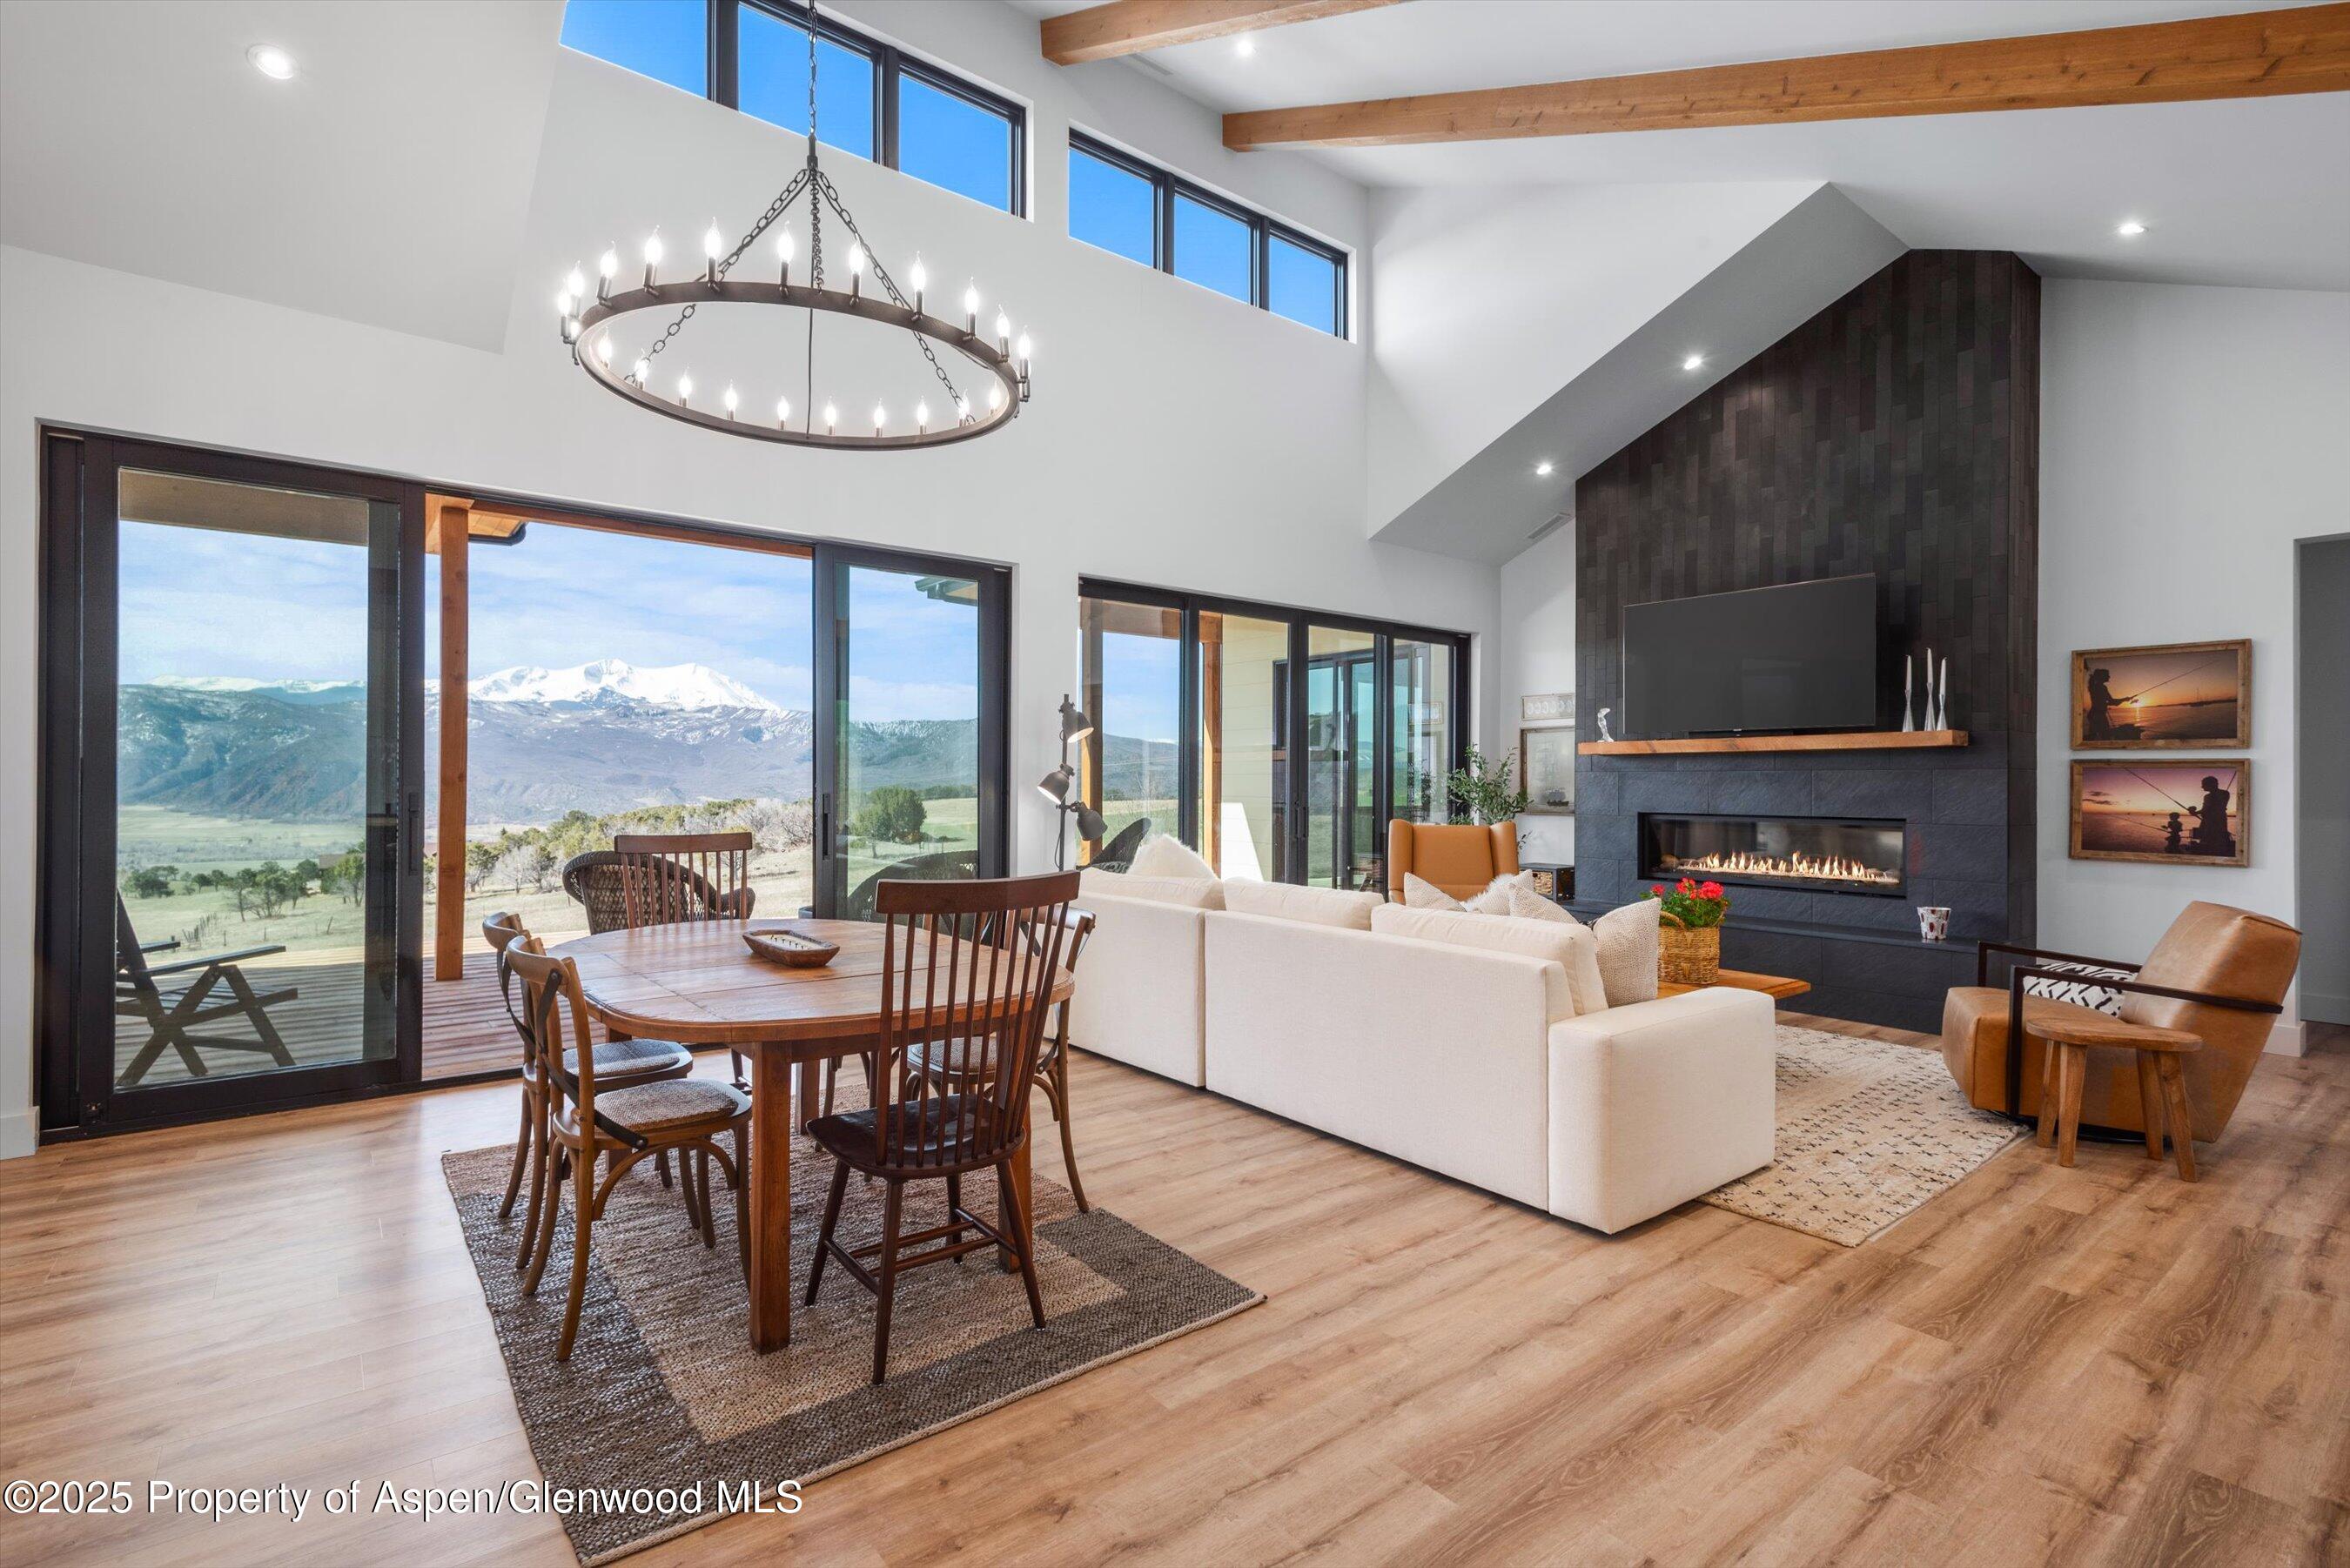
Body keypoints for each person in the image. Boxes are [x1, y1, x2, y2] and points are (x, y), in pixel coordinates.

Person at [2192, 774, 2235, 857]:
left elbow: (2205, 810)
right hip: (2221, 820)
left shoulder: (2208, 796)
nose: (2202, 787)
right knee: (2221, 840)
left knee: (2208, 841)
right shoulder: (2225, 793)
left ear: (2210, 784)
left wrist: (2194, 812)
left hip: (2209, 823)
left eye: (2203, 784)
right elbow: (2217, 808)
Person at [2083, 667, 2118, 740]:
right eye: (2107, 675)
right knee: (2105, 737)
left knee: (2093, 736)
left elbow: (2101, 702)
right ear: (2102, 676)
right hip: (2099, 715)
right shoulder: (2102, 687)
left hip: (2093, 715)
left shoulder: (2094, 686)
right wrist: (2125, 699)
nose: (2109, 677)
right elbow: (2112, 701)